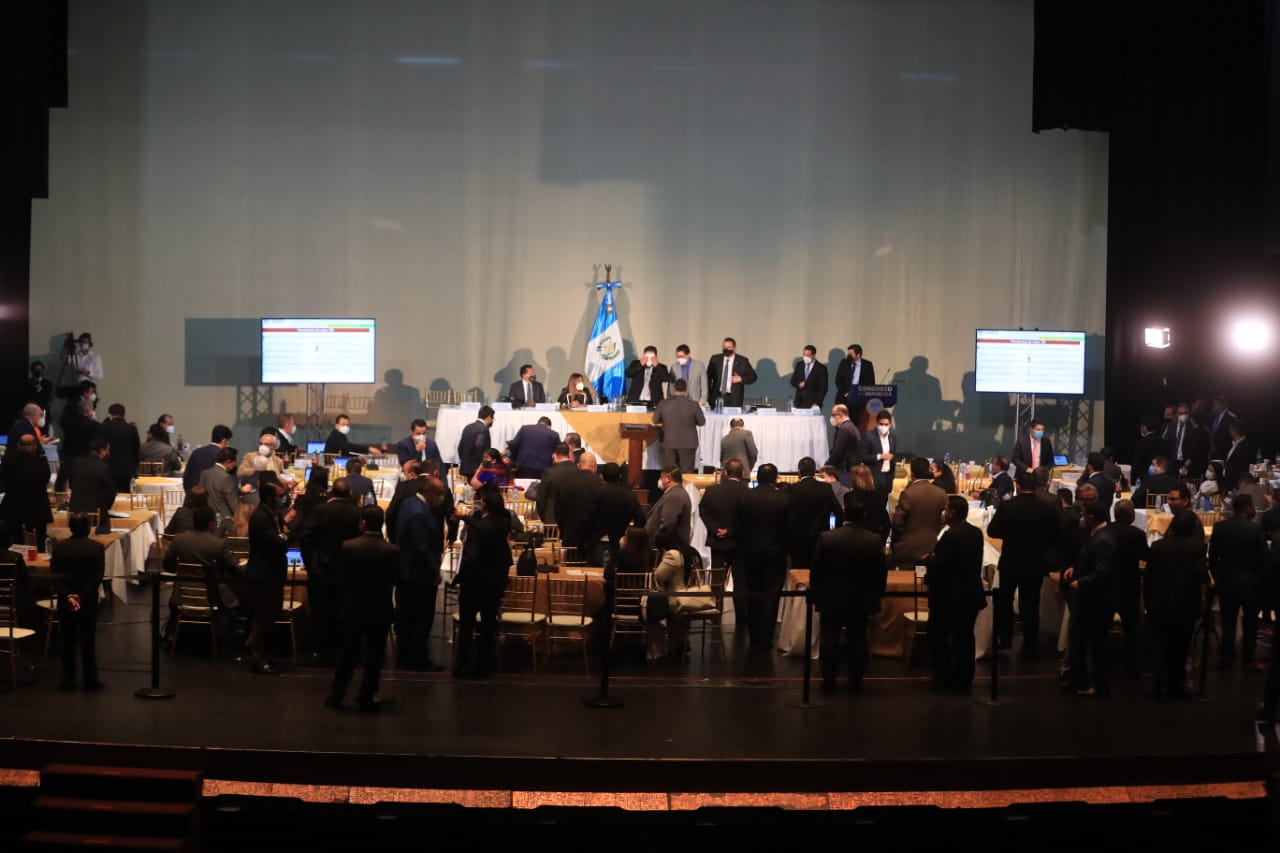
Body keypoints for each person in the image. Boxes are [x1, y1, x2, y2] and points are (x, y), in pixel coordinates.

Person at [809, 493, 887, 691]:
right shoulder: (874, 540)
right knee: (858, 638)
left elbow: (816, 569)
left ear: (844, 514)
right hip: (861, 599)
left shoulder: (827, 537)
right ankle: (856, 679)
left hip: (831, 597)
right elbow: (880, 573)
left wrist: (817, 592)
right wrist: (876, 596)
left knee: (829, 638)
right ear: (863, 515)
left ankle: (828, 679)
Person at [327, 506, 399, 711]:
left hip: (353, 607)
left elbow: (341, 577)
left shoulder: (348, 546)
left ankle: (336, 695)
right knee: (374, 656)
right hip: (380, 607)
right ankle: (366, 695)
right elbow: (395, 579)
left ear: (363, 523)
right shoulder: (392, 550)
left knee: (347, 653)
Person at [987, 470, 1060, 659]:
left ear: (1017, 486)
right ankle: (1030, 642)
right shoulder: (1047, 507)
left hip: (1011, 560)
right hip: (1035, 561)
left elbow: (993, 531)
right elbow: (1054, 535)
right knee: (1031, 604)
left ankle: (1005, 638)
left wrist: (1010, 534)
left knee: (1004, 601)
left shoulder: (1007, 506)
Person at [922, 496, 988, 691]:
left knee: (940, 637)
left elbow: (941, 563)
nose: (944, 513)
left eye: (946, 509)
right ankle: (964, 677)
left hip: (949, 596)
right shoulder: (976, 533)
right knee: (965, 637)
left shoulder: (951, 536)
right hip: (970, 594)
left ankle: (943, 676)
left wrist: (927, 559)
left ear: (952, 512)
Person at [1144, 510, 1208, 699]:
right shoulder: (1198, 547)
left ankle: (1159, 683)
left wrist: (1148, 603)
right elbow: (1200, 574)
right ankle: (1175, 685)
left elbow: (1149, 578)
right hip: (1185, 603)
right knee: (1180, 647)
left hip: (1159, 603)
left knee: (1159, 645)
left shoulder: (1157, 546)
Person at [453, 489, 514, 677]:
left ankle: (463, 662)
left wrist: (459, 577)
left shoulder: (479, 528)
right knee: (489, 623)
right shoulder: (504, 523)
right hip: (494, 582)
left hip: (474, 581)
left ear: (484, 505)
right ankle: (486, 661)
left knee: (467, 624)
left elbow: (471, 556)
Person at [306, 479, 362, 666]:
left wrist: (309, 565)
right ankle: (342, 651)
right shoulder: (355, 512)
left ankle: (324, 652)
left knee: (322, 613)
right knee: (343, 613)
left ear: (331, 492)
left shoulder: (320, 510)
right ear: (349, 493)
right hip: (347, 570)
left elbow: (307, 539)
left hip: (321, 569)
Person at [163, 505, 241, 634]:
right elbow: (233, 568)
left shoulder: (179, 539)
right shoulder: (218, 543)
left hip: (182, 596)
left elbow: (167, 565)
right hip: (212, 597)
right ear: (211, 523)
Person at [733, 463, 789, 646]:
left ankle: (754, 634)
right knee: (772, 594)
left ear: (758, 478)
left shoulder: (746, 497)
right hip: (775, 552)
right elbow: (788, 526)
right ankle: (767, 636)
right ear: (775, 478)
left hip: (750, 552)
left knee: (753, 591)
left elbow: (737, 525)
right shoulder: (783, 498)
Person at [395, 475, 446, 671]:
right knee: (420, 619)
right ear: (427, 491)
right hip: (418, 575)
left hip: (407, 573)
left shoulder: (410, 503)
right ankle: (418, 659)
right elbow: (421, 547)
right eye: (438, 493)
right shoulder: (419, 512)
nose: (440, 497)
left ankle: (406, 656)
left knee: (406, 617)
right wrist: (434, 571)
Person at [1210, 493, 1266, 669]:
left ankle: (1227, 657)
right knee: (1250, 624)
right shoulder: (1256, 529)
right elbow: (1262, 559)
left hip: (1227, 581)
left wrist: (1218, 577)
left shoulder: (1220, 527)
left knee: (1228, 622)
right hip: (1251, 583)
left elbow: (1213, 558)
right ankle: (1248, 659)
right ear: (1249, 507)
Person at [51, 512, 106, 691]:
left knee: (67, 641)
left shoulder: (59, 548)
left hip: (65, 601)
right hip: (88, 600)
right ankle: (90, 680)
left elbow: (56, 577)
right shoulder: (96, 548)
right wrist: (81, 596)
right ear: (88, 528)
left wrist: (68, 596)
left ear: (71, 527)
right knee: (88, 641)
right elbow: (97, 578)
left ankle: (68, 679)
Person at [242, 481, 288, 673]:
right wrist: (286, 537)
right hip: (263, 575)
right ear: (269, 497)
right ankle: (257, 653)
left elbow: (283, 535)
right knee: (264, 617)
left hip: (272, 573)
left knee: (270, 615)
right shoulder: (261, 517)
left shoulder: (273, 514)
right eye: (280, 494)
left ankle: (259, 652)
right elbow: (277, 542)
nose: (283, 497)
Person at [653, 542, 715, 660]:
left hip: (680, 599)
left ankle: (670, 646)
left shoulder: (673, 554)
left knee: (656, 606)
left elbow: (659, 576)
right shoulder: (692, 552)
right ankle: (681, 641)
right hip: (694, 595)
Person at [1109, 500, 1149, 677]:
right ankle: (1132, 664)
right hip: (1129, 584)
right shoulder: (1137, 534)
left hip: (1108, 583)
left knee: (1102, 624)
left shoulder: (1105, 530)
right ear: (1131, 515)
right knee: (1131, 627)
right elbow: (1145, 556)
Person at [785, 457, 842, 570]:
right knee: (819, 576)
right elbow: (838, 512)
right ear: (814, 472)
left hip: (797, 542)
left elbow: (785, 514)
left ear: (799, 473)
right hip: (821, 540)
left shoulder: (791, 489)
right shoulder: (826, 488)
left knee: (799, 576)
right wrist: (834, 534)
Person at [891, 458, 947, 569]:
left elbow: (897, 522)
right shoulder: (941, 493)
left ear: (912, 474)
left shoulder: (908, 493)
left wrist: (899, 539)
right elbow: (944, 522)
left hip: (907, 549)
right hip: (933, 547)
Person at [0, 433, 53, 547]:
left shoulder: (7, 461)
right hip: (37, 510)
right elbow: (45, 481)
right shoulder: (41, 462)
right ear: (35, 446)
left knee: (13, 544)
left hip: (13, 510)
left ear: (18, 446)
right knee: (37, 545)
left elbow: (3, 483)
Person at [588, 462, 646, 563]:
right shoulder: (629, 495)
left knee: (594, 575)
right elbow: (641, 519)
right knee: (617, 575)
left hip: (596, 542)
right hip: (620, 544)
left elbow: (586, 517)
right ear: (620, 477)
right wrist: (628, 535)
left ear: (601, 476)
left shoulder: (594, 493)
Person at [699, 459, 748, 572]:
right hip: (739, 542)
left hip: (717, 541)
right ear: (743, 473)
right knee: (740, 582)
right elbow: (747, 517)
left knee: (717, 581)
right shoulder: (747, 493)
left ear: (725, 473)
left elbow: (703, 510)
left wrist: (715, 528)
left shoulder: (711, 490)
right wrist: (729, 531)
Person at [652, 379, 705, 472]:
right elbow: (702, 422)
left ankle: (672, 487)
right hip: (688, 443)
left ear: (673, 389)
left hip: (669, 441)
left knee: (670, 473)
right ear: (686, 390)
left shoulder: (663, 404)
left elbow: (655, 420)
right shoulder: (693, 404)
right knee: (687, 473)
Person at [67, 437, 115, 534]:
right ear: (102, 451)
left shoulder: (76, 463)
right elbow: (110, 493)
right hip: (97, 513)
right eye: (108, 449)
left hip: (75, 511)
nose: (109, 452)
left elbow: (71, 485)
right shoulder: (104, 467)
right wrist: (105, 507)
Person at [199, 447, 252, 531]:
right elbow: (233, 503)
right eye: (234, 462)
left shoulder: (204, 473)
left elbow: (201, 496)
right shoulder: (226, 477)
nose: (235, 465)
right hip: (224, 520)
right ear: (228, 462)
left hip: (207, 518)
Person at [645, 466, 692, 550]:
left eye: (661, 477)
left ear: (669, 478)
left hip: (668, 549)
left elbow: (667, 523)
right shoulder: (674, 493)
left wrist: (656, 541)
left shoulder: (675, 495)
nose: (660, 481)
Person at [857, 410, 898, 506]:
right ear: (877, 423)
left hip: (887, 477)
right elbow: (861, 457)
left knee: (883, 504)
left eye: (886, 424)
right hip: (874, 477)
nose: (883, 426)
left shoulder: (893, 438)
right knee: (872, 505)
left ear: (890, 424)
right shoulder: (868, 436)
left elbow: (893, 455)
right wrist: (880, 456)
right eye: (881, 424)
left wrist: (892, 475)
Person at [706, 337, 757, 408]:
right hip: (717, 396)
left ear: (734, 348)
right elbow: (707, 377)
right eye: (724, 347)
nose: (726, 349)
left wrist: (740, 379)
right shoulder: (715, 359)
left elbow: (753, 377)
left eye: (729, 347)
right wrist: (709, 394)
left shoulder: (742, 361)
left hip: (734, 398)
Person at [99, 404, 140, 492]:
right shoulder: (131, 428)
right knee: (125, 495)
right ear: (124, 414)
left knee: (109, 494)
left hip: (108, 467)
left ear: (110, 415)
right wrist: (135, 466)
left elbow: (100, 446)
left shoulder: (103, 427)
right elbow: (136, 449)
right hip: (127, 468)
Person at [1163, 402, 1209, 478]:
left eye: (1185, 413)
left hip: (1187, 464)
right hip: (1173, 463)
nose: (1183, 415)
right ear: (1176, 415)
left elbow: (1195, 449)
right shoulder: (1171, 427)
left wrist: (1186, 464)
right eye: (1180, 413)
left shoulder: (1193, 428)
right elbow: (1169, 445)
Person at [184, 425, 233, 492]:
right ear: (224, 440)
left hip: (193, 495)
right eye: (228, 441)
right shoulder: (222, 456)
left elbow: (187, 476)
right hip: (211, 498)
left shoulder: (196, 452)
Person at [849, 464, 890, 542]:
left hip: (853, 541)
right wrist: (881, 541)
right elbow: (886, 523)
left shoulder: (849, 497)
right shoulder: (878, 497)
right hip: (873, 540)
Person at [825, 404, 862, 486]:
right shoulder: (851, 426)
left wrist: (827, 465)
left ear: (840, 415)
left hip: (844, 470)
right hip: (851, 468)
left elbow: (837, 452)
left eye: (833, 415)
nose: (831, 418)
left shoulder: (844, 429)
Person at [833, 344, 875, 411]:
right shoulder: (844, 363)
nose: (848, 355)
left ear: (858, 355)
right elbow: (838, 380)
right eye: (848, 353)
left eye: (851, 353)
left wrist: (859, 392)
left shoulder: (867, 365)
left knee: (856, 420)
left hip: (859, 399)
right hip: (843, 399)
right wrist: (845, 393)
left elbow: (870, 382)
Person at [457, 405, 494, 480]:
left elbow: (460, 448)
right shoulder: (484, 429)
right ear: (489, 417)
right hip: (477, 469)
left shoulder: (468, 427)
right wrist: (482, 465)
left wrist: (465, 460)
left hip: (466, 467)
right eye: (492, 418)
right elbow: (479, 446)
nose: (492, 421)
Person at [1131, 416, 1170, 485]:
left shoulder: (1142, 443)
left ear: (1144, 428)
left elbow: (1137, 463)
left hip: (1145, 480)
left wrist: (1132, 481)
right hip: (1161, 479)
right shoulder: (1163, 442)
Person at [789, 344, 829, 410]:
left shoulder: (821, 368)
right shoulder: (800, 365)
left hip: (813, 403)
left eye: (808, 355)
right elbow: (793, 381)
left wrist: (817, 403)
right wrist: (799, 384)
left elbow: (824, 388)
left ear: (813, 355)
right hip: (799, 401)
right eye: (804, 355)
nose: (805, 357)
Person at [1222, 420, 1257, 488]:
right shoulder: (1232, 444)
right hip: (1228, 481)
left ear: (1234, 431)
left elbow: (1244, 468)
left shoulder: (1247, 446)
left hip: (1237, 484)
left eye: (1230, 430)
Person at [1207, 395, 1238, 459]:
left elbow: (1233, 437)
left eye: (1216, 405)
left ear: (1223, 405)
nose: (1214, 407)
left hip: (1224, 454)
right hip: (1211, 454)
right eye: (1214, 405)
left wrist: (1219, 447)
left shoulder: (1231, 418)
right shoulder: (1212, 417)